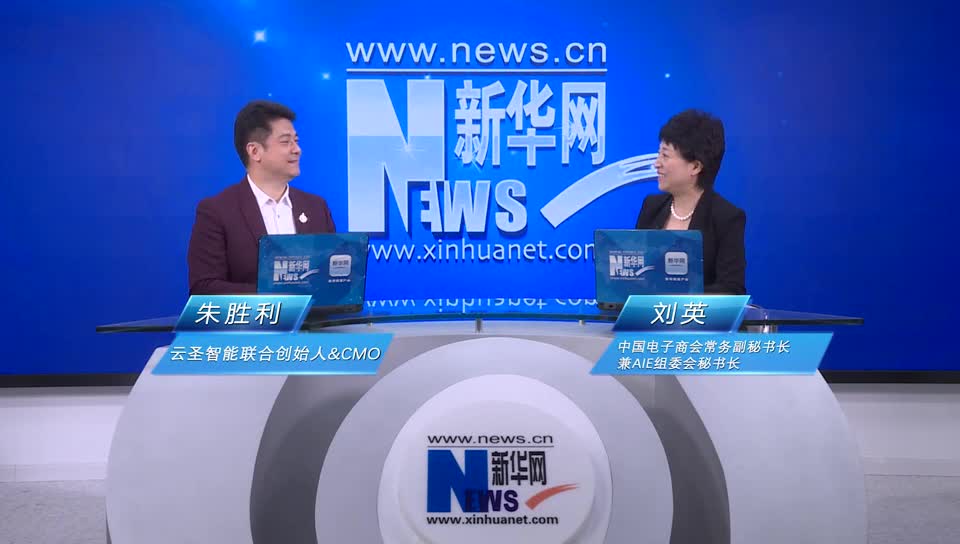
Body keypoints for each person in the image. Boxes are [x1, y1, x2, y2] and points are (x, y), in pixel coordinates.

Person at [187, 100, 336, 294]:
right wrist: (277, 296)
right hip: (253, 315)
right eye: (286, 142)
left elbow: (331, 279)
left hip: (313, 315)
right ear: (255, 151)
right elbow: (204, 287)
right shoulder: (217, 211)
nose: (297, 149)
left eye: (296, 141)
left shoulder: (316, 208)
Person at [634, 109, 746, 294]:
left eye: (665, 155)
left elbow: (731, 290)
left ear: (695, 166)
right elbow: (636, 275)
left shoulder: (726, 217)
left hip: (697, 313)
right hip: (650, 313)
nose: (656, 163)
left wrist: (676, 299)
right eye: (659, 154)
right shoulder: (651, 207)